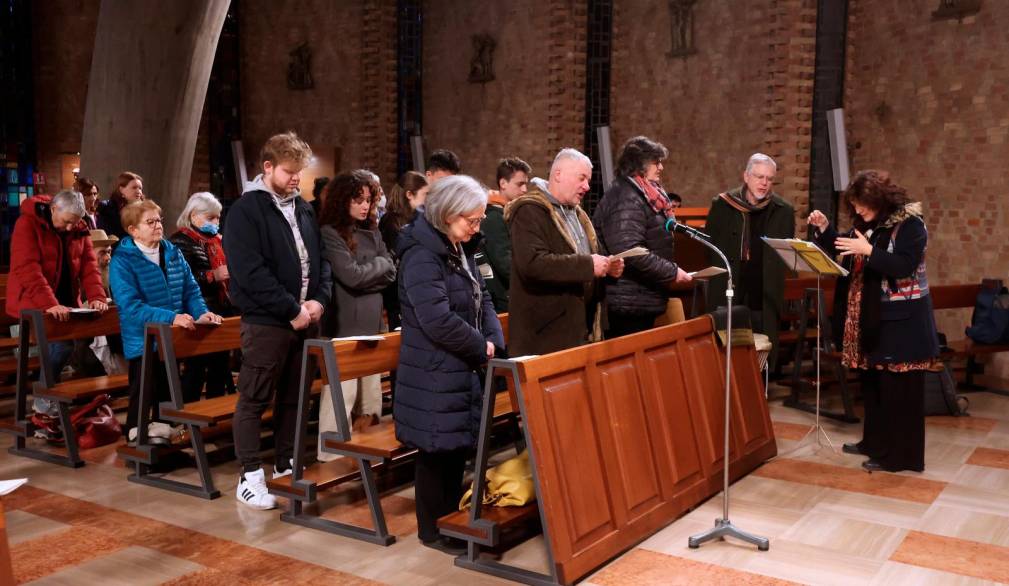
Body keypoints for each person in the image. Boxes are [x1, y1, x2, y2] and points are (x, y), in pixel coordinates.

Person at [393, 174, 504, 555]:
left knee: (454, 446)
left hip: (458, 364)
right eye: (471, 220)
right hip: (433, 369)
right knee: (435, 449)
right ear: (446, 214)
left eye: (479, 221)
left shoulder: (459, 247)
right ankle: (432, 530)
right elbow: (436, 319)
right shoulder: (422, 255)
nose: (476, 228)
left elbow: (481, 297)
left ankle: (450, 521)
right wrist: (479, 347)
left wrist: (494, 339)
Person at [224, 132, 331, 510]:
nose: (295, 179)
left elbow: (318, 260)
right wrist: (292, 310)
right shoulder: (245, 210)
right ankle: (249, 476)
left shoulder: (302, 207)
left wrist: (318, 299)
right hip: (268, 321)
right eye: (288, 172)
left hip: (305, 317)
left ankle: (286, 465)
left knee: (295, 396)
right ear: (267, 167)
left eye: (299, 173)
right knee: (254, 398)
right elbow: (251, 272)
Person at [809, 170, 938, 473]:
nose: (858, 211)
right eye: (853, 205)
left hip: (903, 322)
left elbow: (903, 266)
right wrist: (827, 230)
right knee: (874, 386)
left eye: (861, 204)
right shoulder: (872, 224)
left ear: (878, 199)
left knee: (899, 392)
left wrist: (868, 251)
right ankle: (875, 443)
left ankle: (901, 457)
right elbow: (846, 246)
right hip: (875, 319)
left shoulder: (911, 225)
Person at [109, 200, 221, 444]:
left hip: (173, 336)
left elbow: (191, 291)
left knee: (168, 391)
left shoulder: (172, 252)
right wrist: (172, 317)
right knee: (144, 392)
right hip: (143, 340)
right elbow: (131, 306)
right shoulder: (122, 261)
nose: (158, 225)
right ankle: (137, 444)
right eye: (150, 222)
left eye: (159, 220)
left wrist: (201, 313)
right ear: (133, 230)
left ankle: (164, 440)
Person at [6, 189, 109, 438]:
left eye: (75, 221)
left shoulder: (79, 227)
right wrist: (48, 304)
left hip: (64, 303)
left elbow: (88, 266)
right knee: (62, 348)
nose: (70, 226)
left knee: (80, 345)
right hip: (31, 302)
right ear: (53, 209)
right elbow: (27, 268)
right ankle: (44, 406)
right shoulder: (27, 224)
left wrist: (96, 297)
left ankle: (62, 405)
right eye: (66, 221)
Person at [506, 148, 623, 356]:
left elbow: (588, 260)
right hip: (545, 334)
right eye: (582, 178)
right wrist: (589, 265)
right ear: (558, 174)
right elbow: (533, 264)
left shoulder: (577, 214)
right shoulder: (529, 211)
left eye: (588, 180)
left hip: (578, 329)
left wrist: (607, 268)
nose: (587, 186)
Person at [317, 171, 396, 462]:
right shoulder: (330, 232)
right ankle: (330, 458)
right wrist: (377, 267)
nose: (365, 206)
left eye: (369, 200)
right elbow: (350, 276)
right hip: (344, 324)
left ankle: (368, 453)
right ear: (342, 200)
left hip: (373, 323)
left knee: (371, 398)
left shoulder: (372, 231)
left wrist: (370, 271)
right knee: (340, 398)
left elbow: (391, 271)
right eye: (358, 200)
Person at [593, 136, 692, 338]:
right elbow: (631, 251)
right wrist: (672, 272)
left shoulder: (642, 193)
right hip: (627, 302)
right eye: (656, 162)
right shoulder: (625, 197)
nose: (661, 167)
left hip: (640, 297)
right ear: (639, 165)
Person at [705, 153, 794, 369]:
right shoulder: (723, 205)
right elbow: (710, 246)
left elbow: (785, 254)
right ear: (746, 176)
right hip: (730, 288)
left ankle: (757, 393)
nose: (764, 183)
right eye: (759, 177)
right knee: (726, 347)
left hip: (763, 290)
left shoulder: (784, 211)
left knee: (760, 348)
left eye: (769, 179)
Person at [169, 192, 236, 402]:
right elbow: (181, 279)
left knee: (220, 364)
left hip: (220, 306)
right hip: (198, 308)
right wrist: (211, 276)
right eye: (211, 218)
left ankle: (216, 414)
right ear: (194, 215)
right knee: (196, 366)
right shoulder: (180, 241)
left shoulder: (217, 240)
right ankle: (189, 417)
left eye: (218, 217)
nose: (216, 222)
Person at [479, 157, 530, 313]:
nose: (525, 190)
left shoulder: (509, 214)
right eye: (520, 184)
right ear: (503, 183)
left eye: (526, 184)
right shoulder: (494, 218)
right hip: (504, 302)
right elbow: (507, 265)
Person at [379, 171, 429, 330]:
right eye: (425, 194)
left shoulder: (417, 220)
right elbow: (393, 259)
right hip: (398, 296)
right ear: (409, 194)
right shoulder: (391, 222)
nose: (427, 200)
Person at [97, 171, 144, 240]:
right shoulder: (107, 208)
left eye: (140, 188)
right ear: (121, 189)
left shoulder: (145, 210)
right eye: (134, 187)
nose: (138, 191)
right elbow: (107, 238)